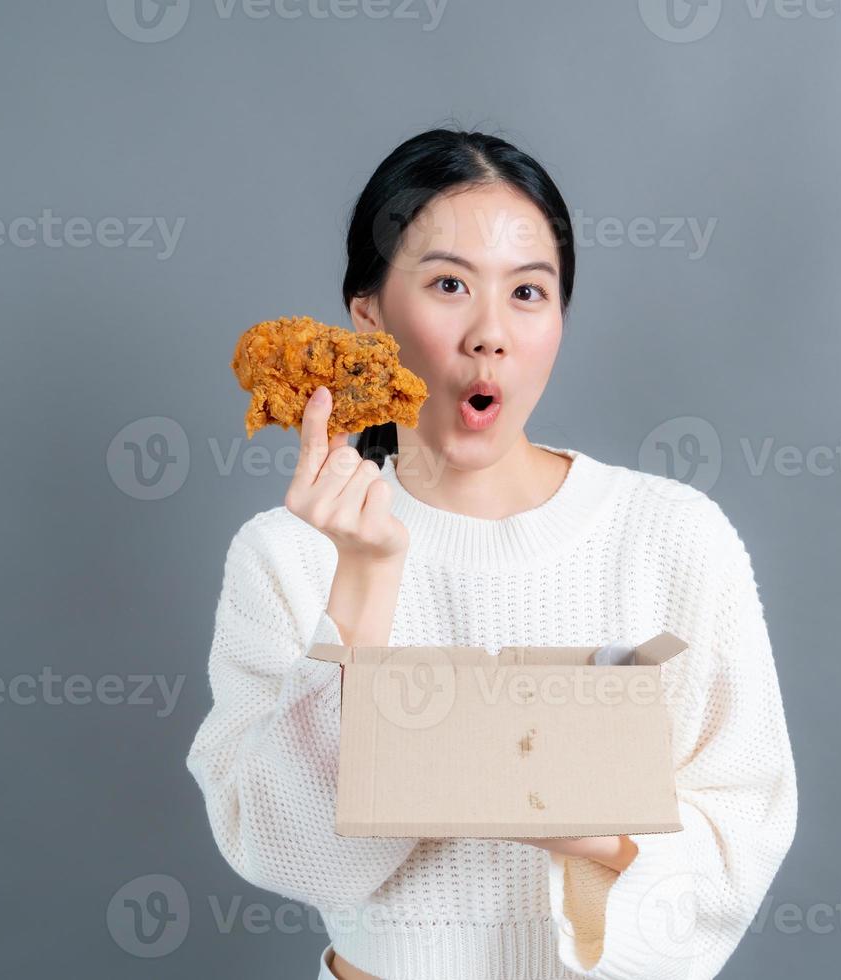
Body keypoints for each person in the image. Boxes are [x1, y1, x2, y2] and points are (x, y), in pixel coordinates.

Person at [186, 128, 798, 980]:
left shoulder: (674, 539)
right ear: (367, 319)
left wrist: (559, 808)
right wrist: (364, 578)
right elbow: (290, 854)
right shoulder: (286, 555)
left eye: (528, 293)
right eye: (447, 284)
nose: (490, 334)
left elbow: (747, 819)